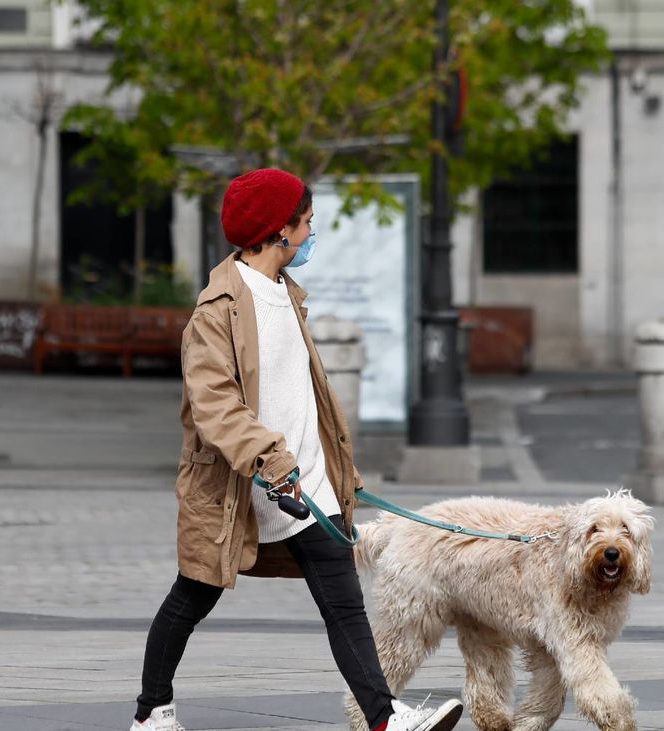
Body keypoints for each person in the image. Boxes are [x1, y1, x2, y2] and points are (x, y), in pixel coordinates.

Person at [130, 169, 463, 731]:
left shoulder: (286, 294)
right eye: (306, 222)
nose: (312, 233)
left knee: (344, 604)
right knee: (193, 595)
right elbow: (215, 407)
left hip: (307, 483)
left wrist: (339, 470)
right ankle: (150, 713)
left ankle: (385, 719)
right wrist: (271, 460)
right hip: (239, 487)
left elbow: (304, 397)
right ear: (279, 230)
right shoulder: (217, 311)